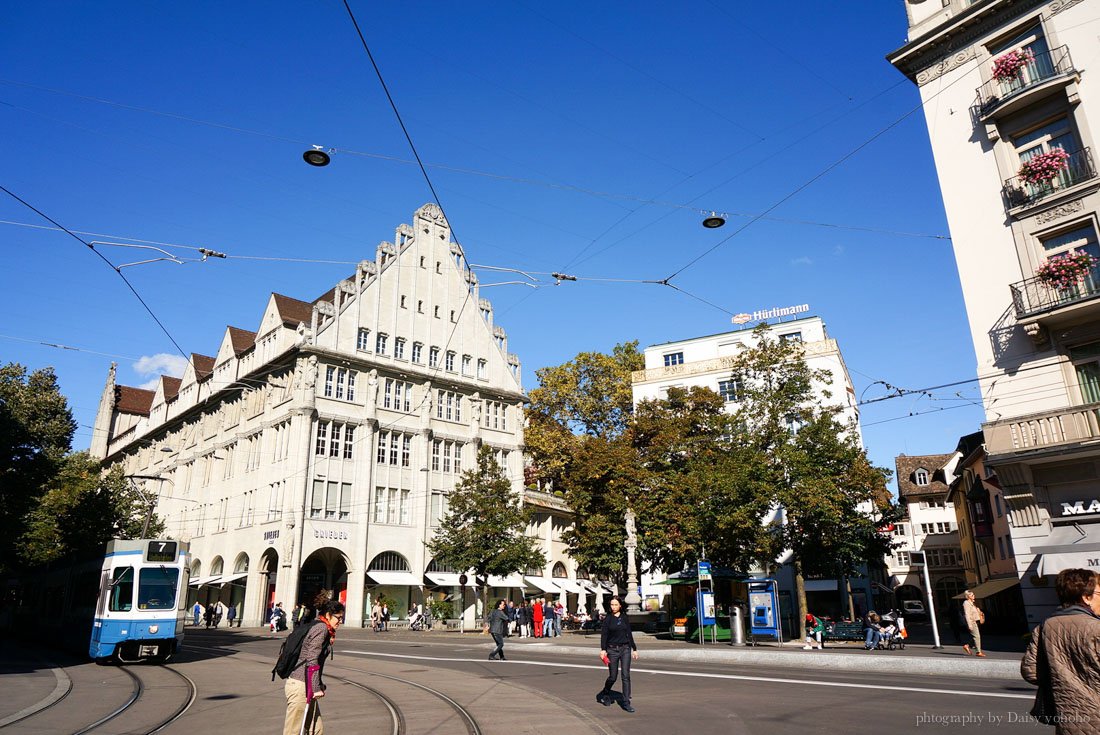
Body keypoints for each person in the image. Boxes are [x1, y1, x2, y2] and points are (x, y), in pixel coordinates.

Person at [1022, 568, 1100, 734]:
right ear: (1086, 597)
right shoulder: (1096, 629)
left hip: (1068, 719)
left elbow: (1030, 672)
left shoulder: (1044, 627)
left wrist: (1062, 681)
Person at [283, 600, 345, 735]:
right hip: (300, 685)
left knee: (316, 730)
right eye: (338, 618)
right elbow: (312, 659)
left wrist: (319, 683)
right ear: (328, 615)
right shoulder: (321, 628)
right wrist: (315, 688)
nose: (340, 621)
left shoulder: (321, 627)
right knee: (294, 731)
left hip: (306, 684)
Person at [598, 596, 638, 713]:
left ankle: (626, 702)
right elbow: (604, 635)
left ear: (620, 605)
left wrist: (634, 648)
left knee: (626, 675)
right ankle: (606, 692)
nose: (613, 607)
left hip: (625, 648)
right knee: (613, 676)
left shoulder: (624, 617)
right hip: (612, 650)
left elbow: (628, 633)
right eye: (612, 605)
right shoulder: (608, 619)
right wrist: (603, 650)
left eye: (616, 604)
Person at [962, 590, 985, 657]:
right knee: (977, 636)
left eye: (973, 594)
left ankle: (967, 646)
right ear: (968, 596)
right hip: (971, 622)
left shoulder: (972, 603)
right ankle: (978, 652)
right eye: (972, 595)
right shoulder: (966, 603)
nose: (973, 596)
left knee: (975, 636)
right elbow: (967, 614)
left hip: (975, 621)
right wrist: (969, 624)